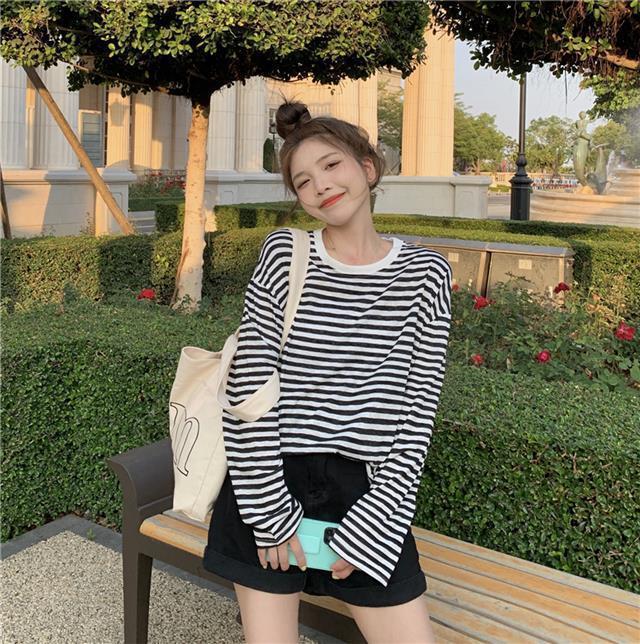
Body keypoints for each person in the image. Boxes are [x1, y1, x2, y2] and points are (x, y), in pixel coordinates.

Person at [203, 99, 452, 644]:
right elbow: (247, 390)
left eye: (332, 165)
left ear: (368, 166)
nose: (320, 185)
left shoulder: (425, 272)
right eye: (303, 181)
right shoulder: (284, 254)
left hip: (368, 491)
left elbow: (417, 412)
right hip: (270, 477)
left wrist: (378, 520)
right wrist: (269, 513)